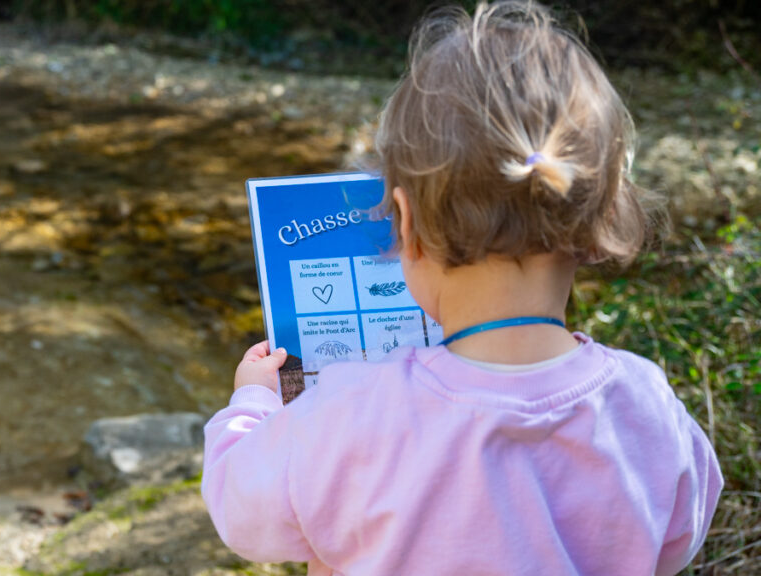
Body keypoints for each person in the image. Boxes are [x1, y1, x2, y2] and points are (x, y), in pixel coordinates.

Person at [201, 1, 723, 575]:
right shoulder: (648, 404)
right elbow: (675, 543)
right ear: (598, 222)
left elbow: (241, 514)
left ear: (405, 222)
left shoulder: (352, 411)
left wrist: (253, 404)